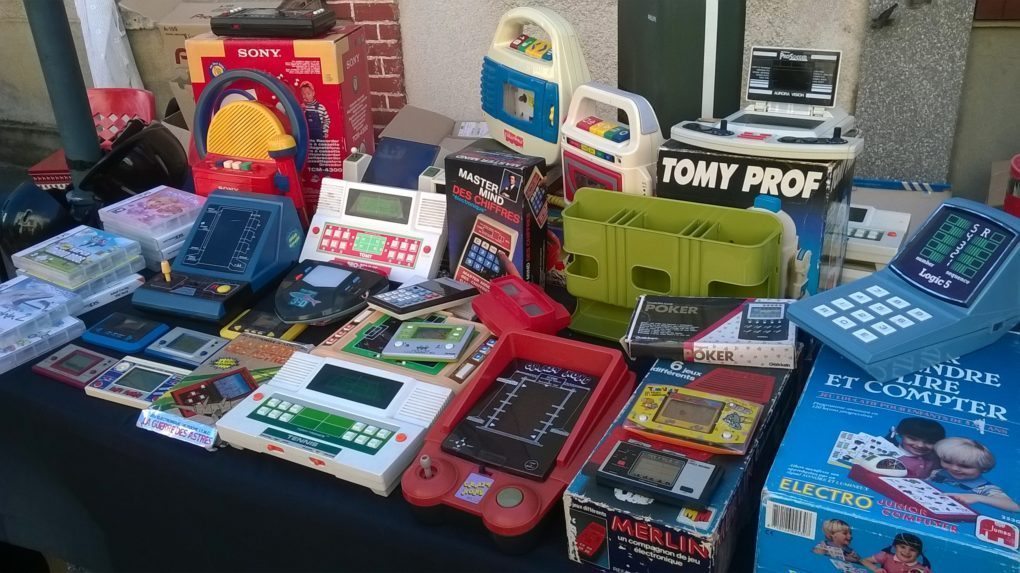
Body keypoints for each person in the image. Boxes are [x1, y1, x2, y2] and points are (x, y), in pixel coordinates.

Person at [928, 437, 1019, 512]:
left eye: (965, 466)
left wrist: (976, 497)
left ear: (983, 469)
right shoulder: (939, 473)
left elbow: (1014, 507)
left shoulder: (984, 488)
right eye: (947, 461)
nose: (954, 468)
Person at [861, 533, 932, 573]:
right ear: (895, 547)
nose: (907, 552)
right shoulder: (886, 556)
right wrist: (875, 569)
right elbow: (864, 560)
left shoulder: (921, 568)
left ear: (918, 554)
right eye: (903, 547)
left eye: (912, 550)